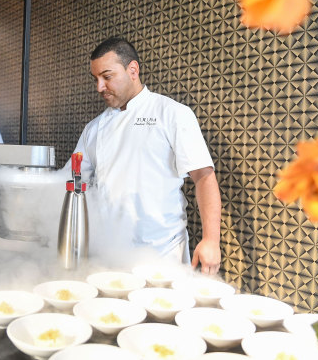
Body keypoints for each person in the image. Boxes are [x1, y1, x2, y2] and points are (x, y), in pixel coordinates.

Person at [70, 37, 222, 274]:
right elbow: (72, 180)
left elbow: (204, 176)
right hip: (107, 255)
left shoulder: (171, 113)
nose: (99, 87)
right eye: (96, 79)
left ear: (133, 70)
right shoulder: (93, 129)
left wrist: (211, 240)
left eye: (107, 77)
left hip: (161, 253)